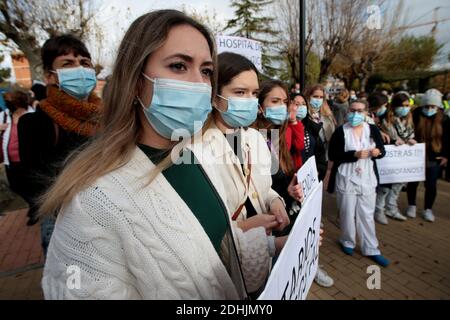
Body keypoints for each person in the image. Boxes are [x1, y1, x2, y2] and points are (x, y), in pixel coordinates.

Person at [40, 10, 250, 300]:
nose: (199, 83)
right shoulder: (92, 200)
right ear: (136, 81)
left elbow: (210, 247)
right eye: (178, 66)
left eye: (206, 71)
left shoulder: (193, 155)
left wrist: (273, 246)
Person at [204, 52, 290, 295]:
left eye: (254, 93)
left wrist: (275, 202)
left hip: (260, 260)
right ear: (214, 95)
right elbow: (202, 234)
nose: (250, 100)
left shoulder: (254, 137)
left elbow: (263, 187)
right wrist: (246, 227)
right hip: (226, 275)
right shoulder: (194, 148)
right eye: (240, 93)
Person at [18, 34, 102, 251]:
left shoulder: (108, 117)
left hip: (109, 219)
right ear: (50, 76)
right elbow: (32, 181)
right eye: (68, 64)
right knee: (70, 282)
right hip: (62, 222)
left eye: (84, 62)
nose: (80, 69)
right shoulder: (35, 122)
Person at [254, 81, 333, 288]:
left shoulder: (278, 134)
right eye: (275, 101)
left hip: (282, 213)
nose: (284, 106)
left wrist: (290, 189)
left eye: (285, 101)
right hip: (261, 225)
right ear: (260, 106)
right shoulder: (244, 138)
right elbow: (252, 188)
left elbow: (278, 178)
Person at [328, 99, 390, 267]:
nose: (356, 114)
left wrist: (378, 151)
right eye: (353, 110)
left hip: (367, 178)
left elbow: (382, 150)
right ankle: (347, 241)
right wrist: (353, 154)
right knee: (347, 212)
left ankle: (371, 248)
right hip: (346, 177)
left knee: (367, 215)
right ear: (348, 111)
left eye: (360, 111)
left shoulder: (372, 130)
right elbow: (333, 155)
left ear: (366, 113)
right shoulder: (341, 131)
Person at [406, 89, 449, 222]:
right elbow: (408, 130)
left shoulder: (444, 118)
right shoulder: (416, 113)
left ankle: (428, 209)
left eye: (433, 106)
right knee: (412, 182)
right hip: (416, 154)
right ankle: (411, 205)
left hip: (434, 157)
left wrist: (446, 156)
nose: (429, 109)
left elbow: (448, 139)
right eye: (427, 106)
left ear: (438, 106)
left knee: (431, 185)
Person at [1, 89, 34, 204]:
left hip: (28, 159)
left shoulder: (32, 114)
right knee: (15, 186)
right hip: (9, 160)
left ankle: (35, 208)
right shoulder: (5, 115)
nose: (9, 104)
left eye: (13, 102)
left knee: (31, 186)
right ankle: (32, 205)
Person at [304, 84, 336, 181]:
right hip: (307, 157)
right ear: (308, 97)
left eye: (321, 97)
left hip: (322, 159)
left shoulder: (327, 115)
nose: (318, 99)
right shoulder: (303, 113)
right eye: (315, 96)